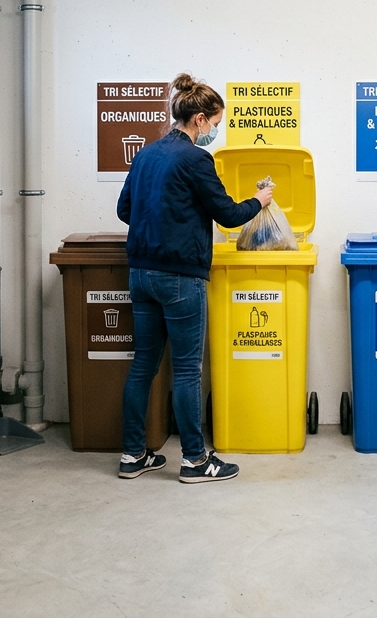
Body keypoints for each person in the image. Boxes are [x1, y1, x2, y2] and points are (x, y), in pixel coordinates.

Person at [115, 73, 272, 483]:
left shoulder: (146, 155)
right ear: (199, 119)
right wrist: (259, 201)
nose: (215, 131)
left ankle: (133, 456)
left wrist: (162, 223)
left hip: (140, 274)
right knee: (186, 370)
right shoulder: (196, 159)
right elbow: (228, 215)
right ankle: (195, 462)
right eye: (215, 123)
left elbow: (124, 210)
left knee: (143, 364)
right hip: (180, 278)